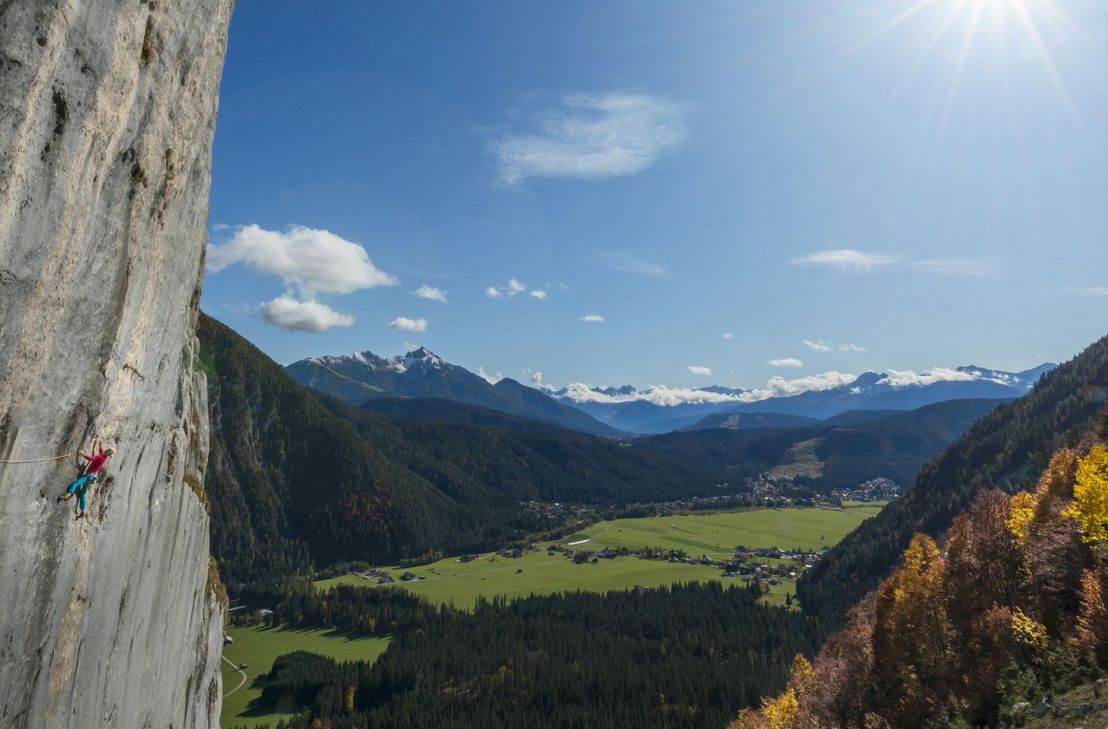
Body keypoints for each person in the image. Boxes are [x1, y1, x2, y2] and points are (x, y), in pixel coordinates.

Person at [57, 442, 114, 519]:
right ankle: (83, 510)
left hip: (89, 476)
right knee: (82, 494)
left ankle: (67, 496)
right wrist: (100, 446)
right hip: (92, 477)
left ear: (107, 451)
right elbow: (102, 452)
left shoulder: (101, 457)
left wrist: (83, 454)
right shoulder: (105, 458)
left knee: (75, 484)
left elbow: (92, 459)